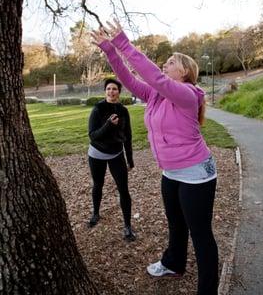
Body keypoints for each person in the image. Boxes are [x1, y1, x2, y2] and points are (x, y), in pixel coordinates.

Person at [91, 19, 218, 295]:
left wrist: (122, 42)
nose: (165, 64)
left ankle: (208, 290)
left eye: (171, 61)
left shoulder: (187, 94)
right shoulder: (157, 95)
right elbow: (129, 80)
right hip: (170, 172)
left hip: (197, 173)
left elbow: (154, 77)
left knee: (201, 235)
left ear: (185, 71)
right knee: (175, 222)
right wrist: (109, 51)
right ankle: (174, 263)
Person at [87, 77, 136, 241]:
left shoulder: (123, 111)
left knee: (123, 189)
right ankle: (95, 213)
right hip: (97, 154)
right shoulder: (98, 109)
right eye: (108, 89)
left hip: (116, 154)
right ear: (105, 91)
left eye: (114, 89)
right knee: (98, 184)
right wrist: (108, 125)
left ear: (119, 92)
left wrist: (130, 159)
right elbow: (92, 136)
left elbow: (128, 136)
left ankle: (128, 226)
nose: (111, 91)